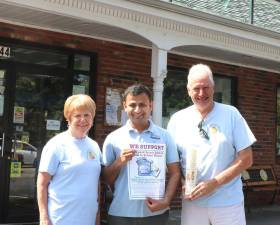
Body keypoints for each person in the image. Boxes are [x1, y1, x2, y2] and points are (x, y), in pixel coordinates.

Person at [167, 64, 256, 225]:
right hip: (192, 202)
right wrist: (183, 182)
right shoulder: (177, 120)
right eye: (196, 88)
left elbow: (247, 158)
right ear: (188, 90)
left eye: (206, 87)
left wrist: (214, 183)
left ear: (213, 88)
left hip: (227, 203)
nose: (201, 93)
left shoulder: (231, 114)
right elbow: (173, 162)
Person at [102, 84, 180, 225]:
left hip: (155, 213)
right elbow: (105, 179)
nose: (137, 110)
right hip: (121, 213)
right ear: (124, 106)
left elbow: (175, 173)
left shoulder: (165, 137)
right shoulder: (113, 138)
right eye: (132, 105)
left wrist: (166, 201)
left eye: (142, 105)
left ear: (151, 105)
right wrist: (119, 162)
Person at [37, 94, 101, 225]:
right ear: (69, 118)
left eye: (87, 115)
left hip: (88, 218)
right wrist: (43, 217)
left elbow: (96, 183)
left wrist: (97, 215)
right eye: (77, 115)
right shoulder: (56, 145)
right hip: (61, 218)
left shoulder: (94, 146)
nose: (83, 119)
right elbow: (42, 184)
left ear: (92, 117)